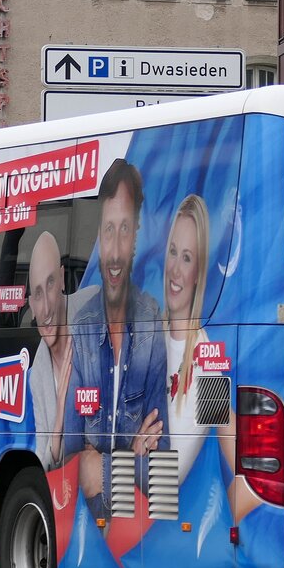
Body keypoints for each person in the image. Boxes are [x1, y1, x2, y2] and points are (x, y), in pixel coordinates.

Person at [63, 158, 169, 520]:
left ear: (136, 237)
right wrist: (130, 454)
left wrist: (104, 467)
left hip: (138, 505)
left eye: (125, 229)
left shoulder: (152, 321)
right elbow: (70, 448)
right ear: (98, 237)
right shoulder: (82, 324)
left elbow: (162, 452)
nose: (115, 247)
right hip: (108, 503)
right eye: (109, 229)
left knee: (95, 469)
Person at [162, 195, 237, 479]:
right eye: (172, 252)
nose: (175, 270)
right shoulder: (147, 337)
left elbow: (226, 427)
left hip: (155, 493)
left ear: (198, 273)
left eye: (187, 257)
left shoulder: (203, 355)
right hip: (129, 487)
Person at [27, 230, 73, 471]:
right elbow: (44, 460)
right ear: (32, 306)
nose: (46, 309)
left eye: (51, 283)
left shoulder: (89, 318)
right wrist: (59, 421)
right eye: (37, 293)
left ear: (63, 280)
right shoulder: (37, 376)